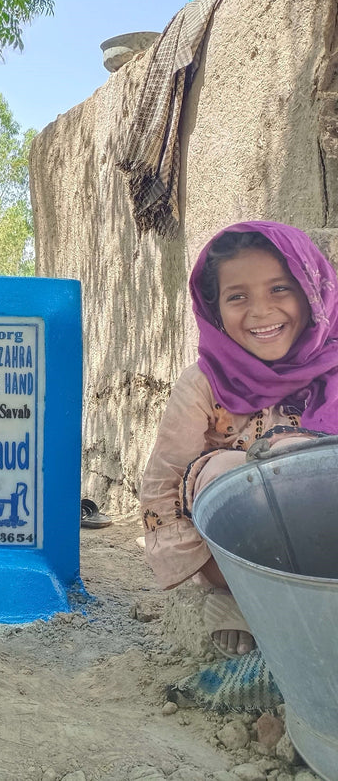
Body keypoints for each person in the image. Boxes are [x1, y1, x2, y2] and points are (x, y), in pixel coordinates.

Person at [141, 220, 338, 657]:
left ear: (312, 291)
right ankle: (246, 599)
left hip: (327, 542)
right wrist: (223, 575)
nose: (261, 311)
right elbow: (159, 490)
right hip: (240, 558)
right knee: (231, 471)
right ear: (215, 310)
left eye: (280, 289)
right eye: (238, 296)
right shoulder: (203, 386)